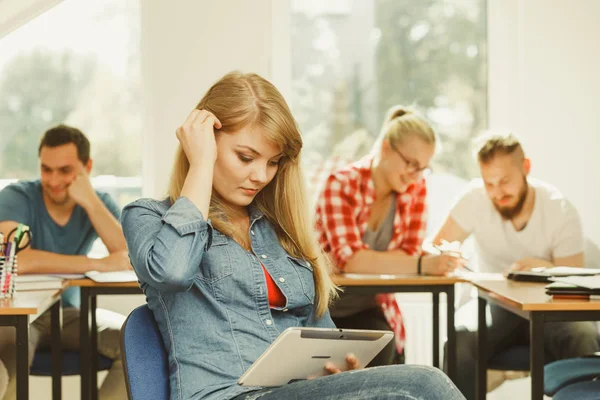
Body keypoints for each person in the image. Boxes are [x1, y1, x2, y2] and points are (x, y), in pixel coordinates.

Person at [121, 72, 465, 400]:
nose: (260, 175)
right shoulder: (149, 216)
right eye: (245, 157)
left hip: (291, 392)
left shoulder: (278, 231)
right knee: (422, 384)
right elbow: (173, 272)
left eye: (273, 163)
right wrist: (200, 166)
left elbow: (323, 330)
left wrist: (340, 371)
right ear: (206, 144)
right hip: (228, 395)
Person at [434, 131, 600, 399]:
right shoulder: (475, 198)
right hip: (495, 306)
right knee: (459, 339)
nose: (497, 192)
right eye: (489, 183)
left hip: (553, 310)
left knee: (582, 334)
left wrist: (542, 268)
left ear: (526, 168)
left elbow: (576, 282)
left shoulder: (560, 209)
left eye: (505, 181)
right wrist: (444, 255)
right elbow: (435, 246)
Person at [314, 106, 465, 366]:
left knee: (386, 350)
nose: (416, 175)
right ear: (385, 148)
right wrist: (420, 265)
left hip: (368, 306)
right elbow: (351, 261)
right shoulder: (340, 184)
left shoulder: (415, 188)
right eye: (411, 164)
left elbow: (409, 251)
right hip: (322, 309)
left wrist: (376, 259)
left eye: (423, 169)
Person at [0, 125, 131, 399]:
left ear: (87, 167)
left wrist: (92, 204)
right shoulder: (17, 197)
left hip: (68, 313)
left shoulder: (99, 203)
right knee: (8, 360)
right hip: (22, 315)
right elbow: (17, 260)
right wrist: (94, 263)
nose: (54, 179)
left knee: (134, 341)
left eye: (65, 170)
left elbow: (127, 257)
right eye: (46, 169)